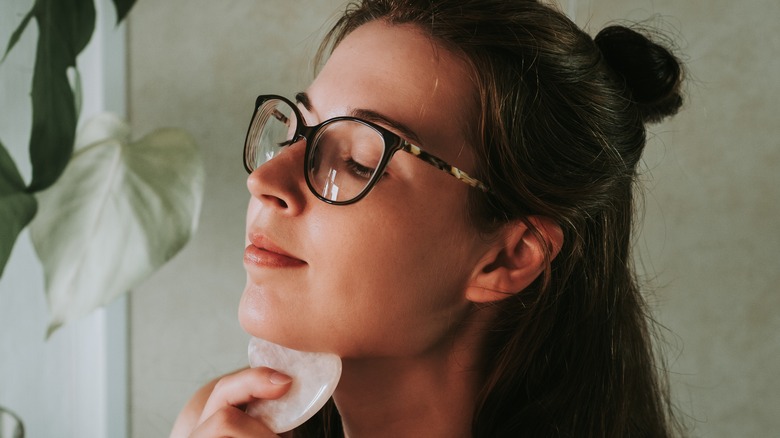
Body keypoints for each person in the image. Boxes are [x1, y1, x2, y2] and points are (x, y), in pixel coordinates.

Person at [172, 0, 686, 436]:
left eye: (356, 161)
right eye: (297, 132)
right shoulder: (220, 421)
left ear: (507, 257)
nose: (265, 181)